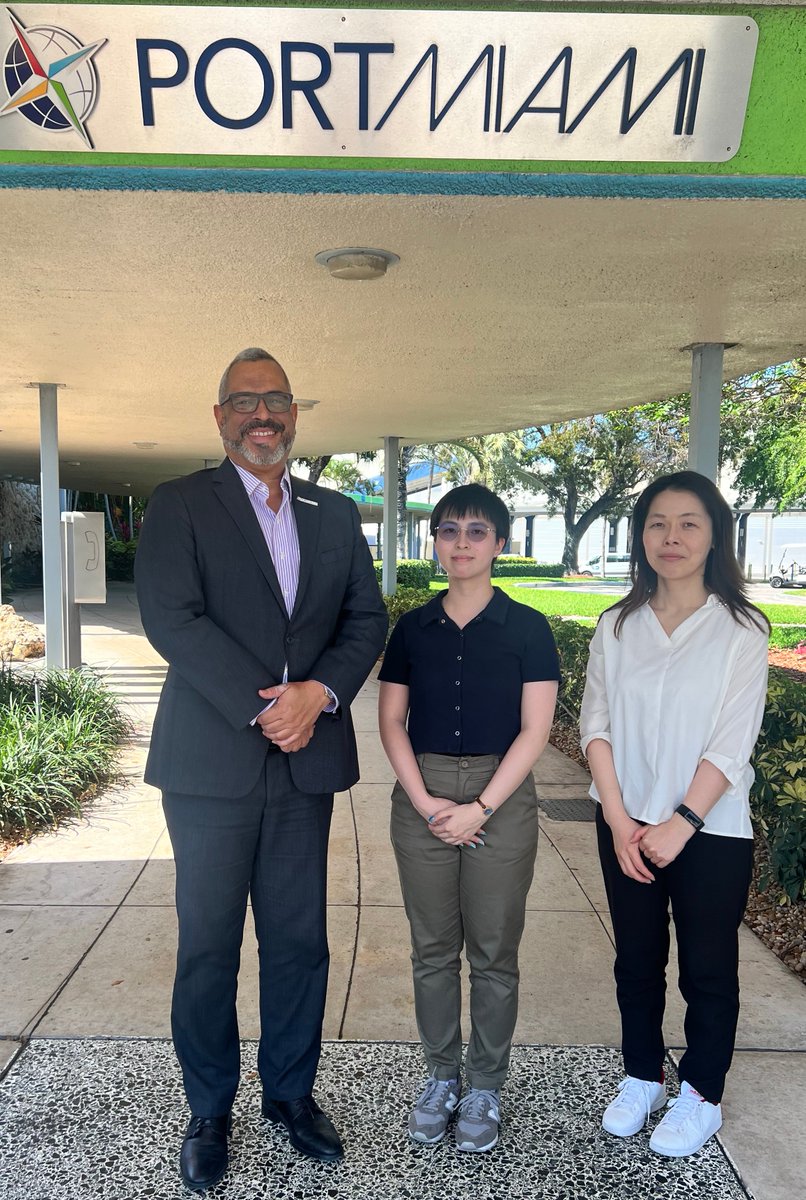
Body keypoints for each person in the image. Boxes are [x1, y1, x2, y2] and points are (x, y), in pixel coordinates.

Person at [135, 347, 387, 1190]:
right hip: (210, 767)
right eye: (244, 401)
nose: (262, 415)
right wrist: (264, 705)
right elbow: (173, 620)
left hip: (304, 765)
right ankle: (209, 1109)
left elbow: (365, 618)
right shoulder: (179, 504)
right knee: (208, 948)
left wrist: (318, 693)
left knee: (298, 945)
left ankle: (289, 1097)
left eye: (275, 399)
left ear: (294, 413)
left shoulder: (334, 511)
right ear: (219, 417)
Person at [580, 470, 770, 1158]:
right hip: (626, 826)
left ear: (715, 534)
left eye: (689, 522)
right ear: (640, 536)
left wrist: (680, 821)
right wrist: (622, 820)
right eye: (658, 522)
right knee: (636, 959)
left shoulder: (742, 629)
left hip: (710, 831)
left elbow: (732, 738)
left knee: (708, 967)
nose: (672, 536)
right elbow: (594, 724)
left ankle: (701, 1095)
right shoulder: (617, 625)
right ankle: (642, 1076)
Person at [378, 484, 559, 1153]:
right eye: (449, 530)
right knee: (431, 951)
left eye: (476, 531)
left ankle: (484, 1084)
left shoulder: (529, 629)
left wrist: (480, 806)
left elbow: (535, 729)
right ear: (435, 542)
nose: (461, 542)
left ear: (501, 545)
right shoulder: (413, 629)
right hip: (421, 793)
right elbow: (391, 720)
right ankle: (440, 1078)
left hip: (501, 796)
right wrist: (428, 805)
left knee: (492, 952)